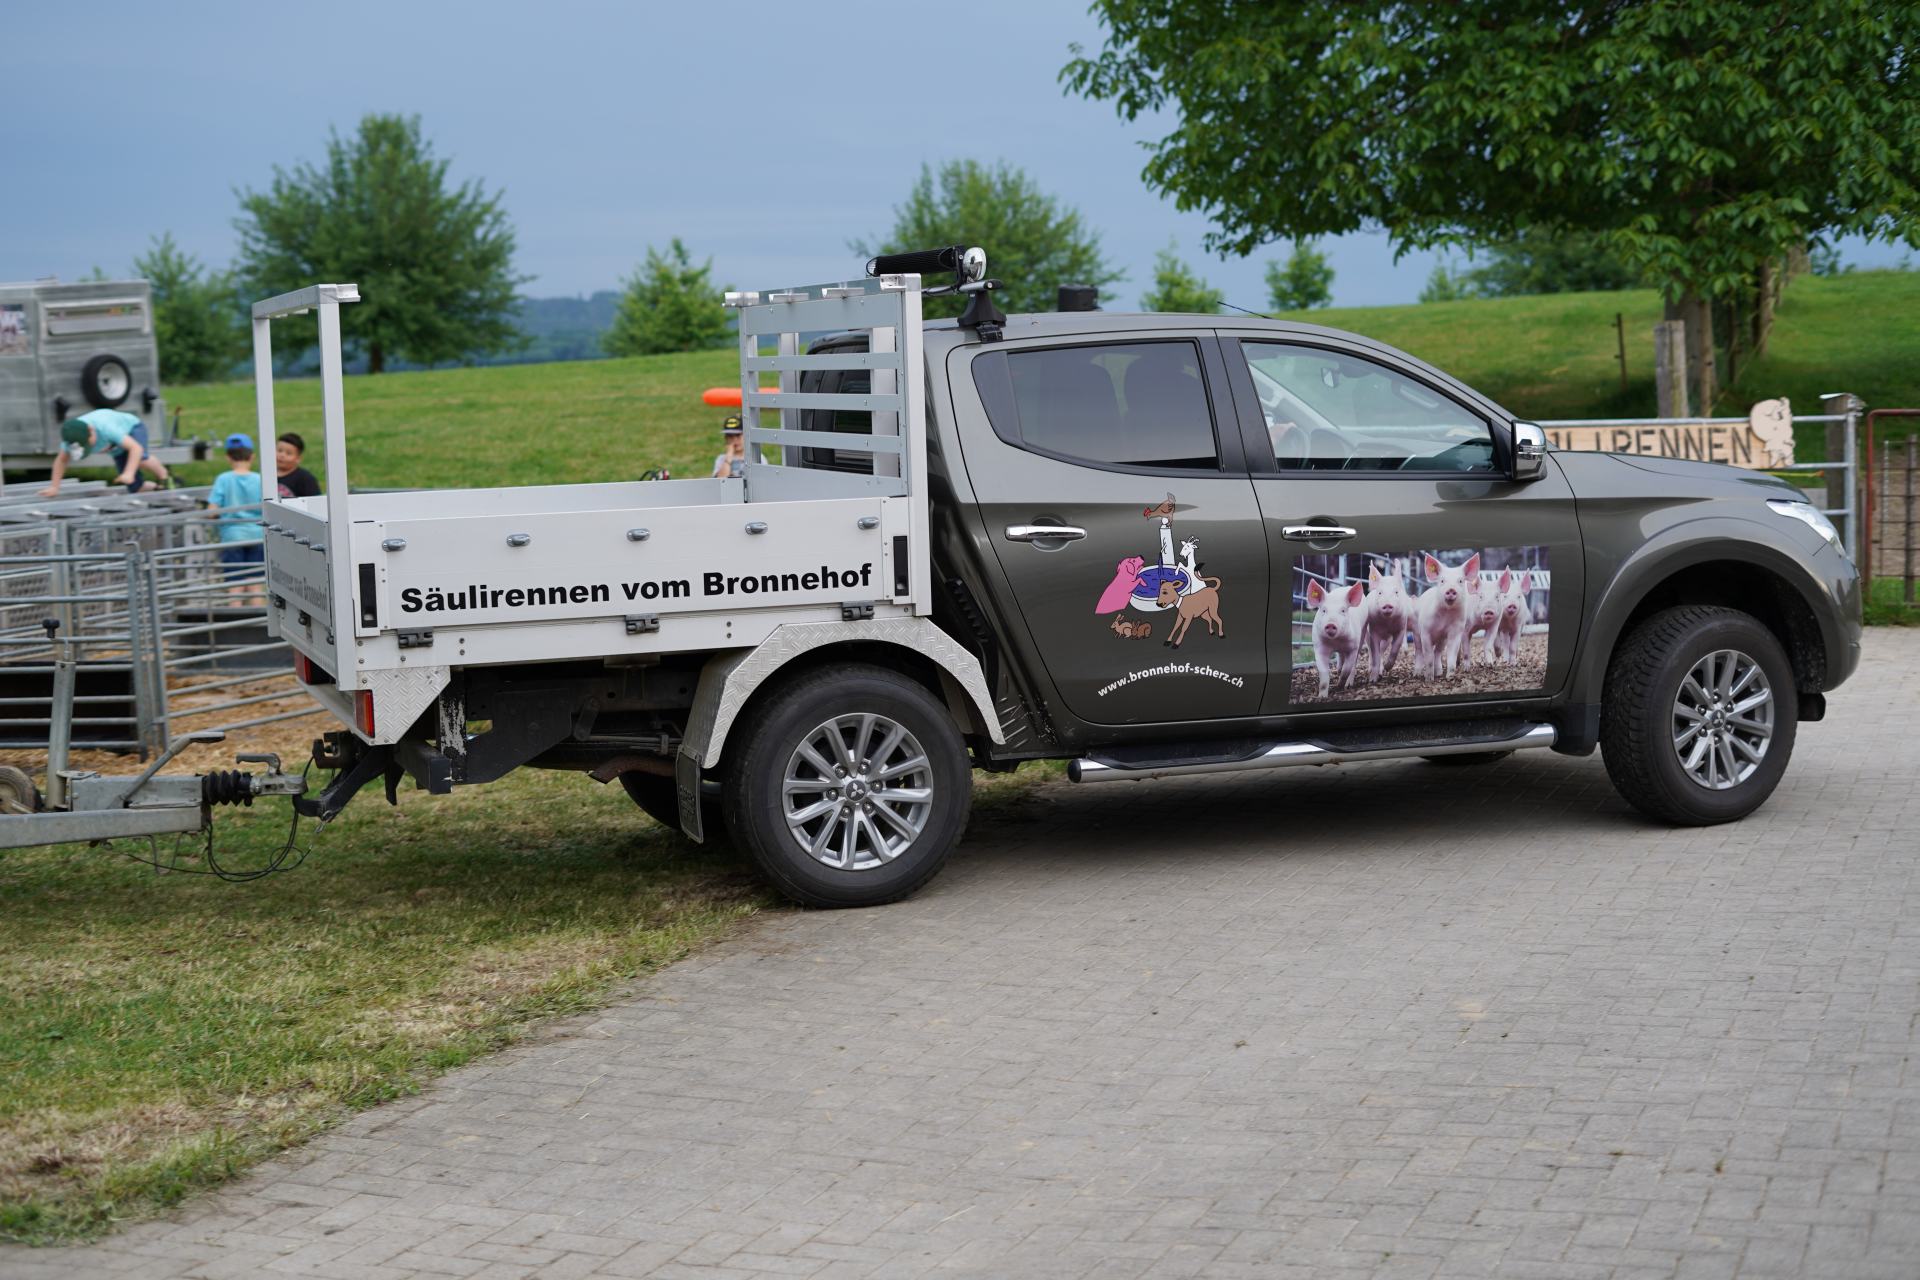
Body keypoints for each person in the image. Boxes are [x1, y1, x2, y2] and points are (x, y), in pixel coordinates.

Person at [40, 408, 172, 496]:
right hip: (115, 446)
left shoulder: (106, 428)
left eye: (88, 444)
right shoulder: (70, 439)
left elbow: (136, 448)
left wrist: (129, 473)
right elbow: (61, 461)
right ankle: (158, 489)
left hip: (132, 428)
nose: (90, 447)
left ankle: (164, 475)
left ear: (91, 430)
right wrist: (55, 487)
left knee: (140, 459)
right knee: (135, 488)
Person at [206, 433, 265, 601]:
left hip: (232, 537)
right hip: (257, 536)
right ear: (252, 456)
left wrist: (215, 518)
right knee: (255, 584)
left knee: (234, 585)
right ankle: (259, 615)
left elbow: (212, 511)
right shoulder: (259, 479)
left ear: (228, 457)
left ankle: (235, 611)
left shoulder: (223, 479)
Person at [274, 431, 321, 498]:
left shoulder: (305, 479)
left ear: (298, 458)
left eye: (288, 453)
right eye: (279, 450)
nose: (282, 455)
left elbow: (315, 501)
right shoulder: (266, 475)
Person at [712, 414, 748, 478]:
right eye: (730, 436)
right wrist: (728, 458)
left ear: (747, 436)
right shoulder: (722, 459)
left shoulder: (757, 458)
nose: (734, 440)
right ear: (726, 438)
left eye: (738, 435)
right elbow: (719, 481)